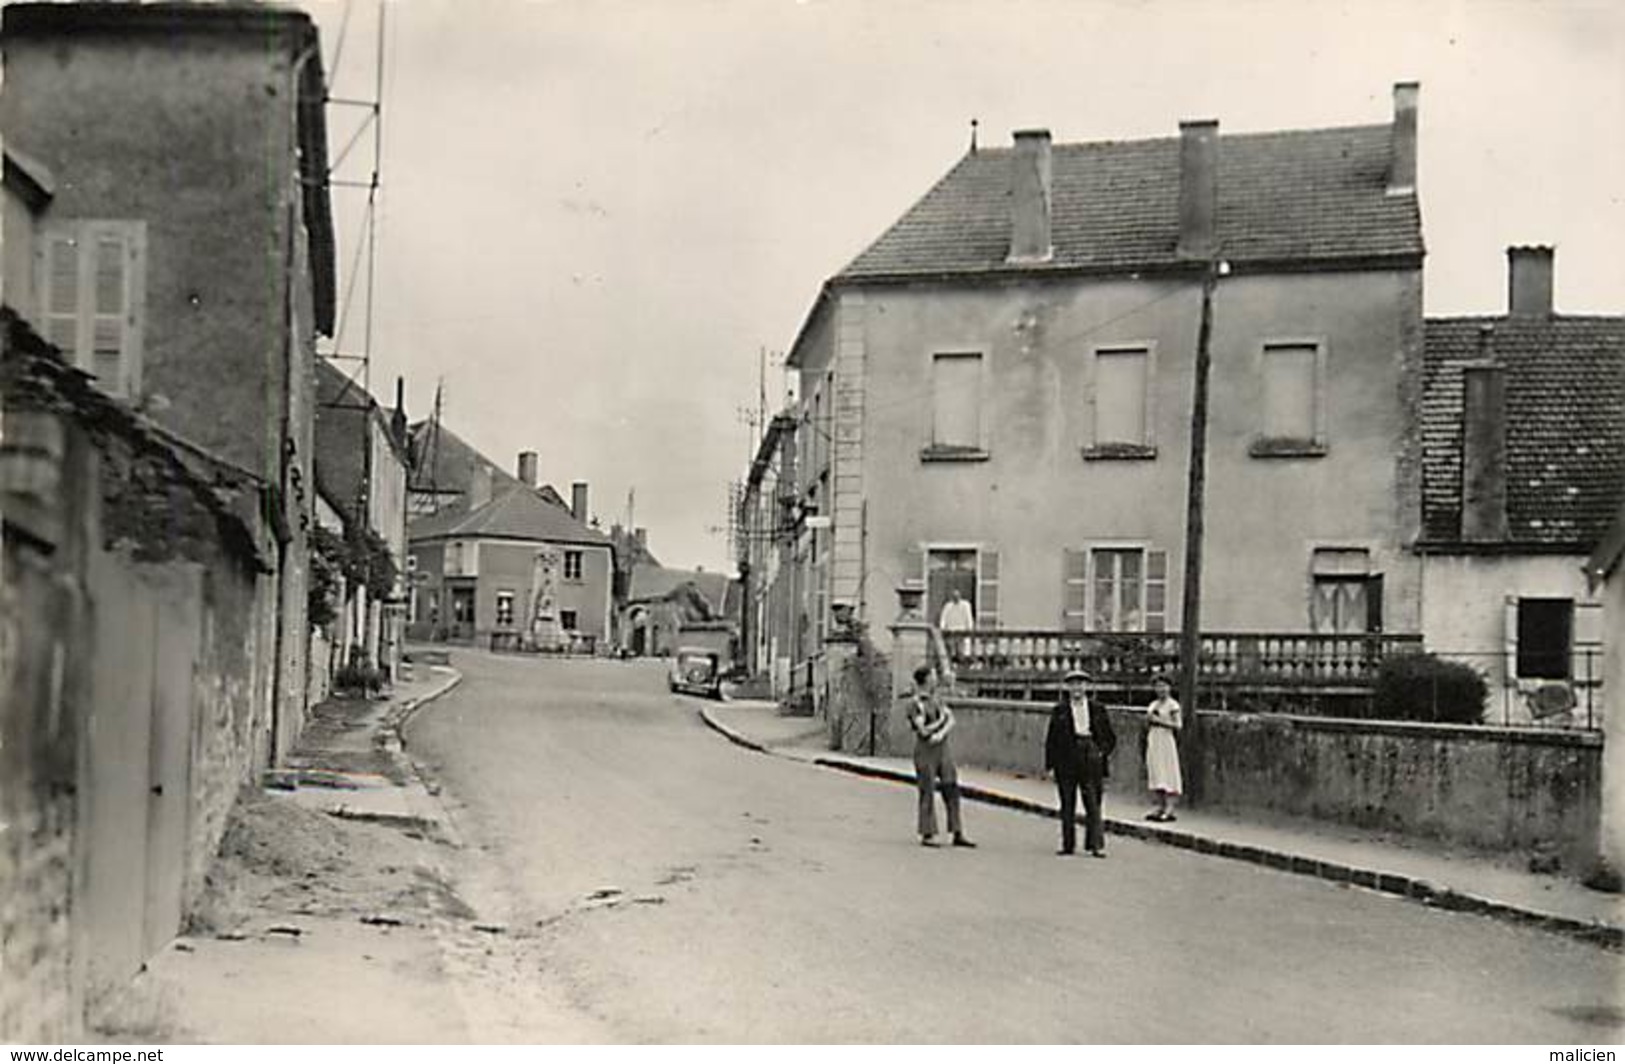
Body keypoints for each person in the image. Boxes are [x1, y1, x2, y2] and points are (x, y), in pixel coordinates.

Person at [1044, 669, 1117, 857]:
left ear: (1087, 687)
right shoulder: (1059, 710)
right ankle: (1068, 844)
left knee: (1093, 801)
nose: (1077, 688)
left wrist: (1101, 753)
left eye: (1081, 683)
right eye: (1073, 684)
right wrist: (1051, 765)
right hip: (1067, 756)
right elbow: (1051, 739)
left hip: (1090, 754)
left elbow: (1109, 737)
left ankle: (1095, 845)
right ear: (1067, 687)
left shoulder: (1098, 709)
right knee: (1067, 802)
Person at [906, 664, 975, 849]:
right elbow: (923, 729)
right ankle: (927, 832)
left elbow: (950, 720)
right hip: (925, 750)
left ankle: (957, 831)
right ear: (926, 679)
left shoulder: (937, 699)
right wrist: (941, 722)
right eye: (933, 676)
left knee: (951, 787)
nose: (936, 679)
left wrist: (941, 731)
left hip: (942, 748)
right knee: (927, 790)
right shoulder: (915, 703)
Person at [1144, 675, 1183, 822]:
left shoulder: (1173, 705)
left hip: (1166, 741)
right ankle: (1160, 806)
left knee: (1168, 772)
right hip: (1154, 740)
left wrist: (1159, 721)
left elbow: (1178, 725)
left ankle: (1170, 808)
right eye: (1158, 686)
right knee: (1156, 773)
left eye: (1164, 686)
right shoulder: (1153, 705)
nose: (1161, 689)